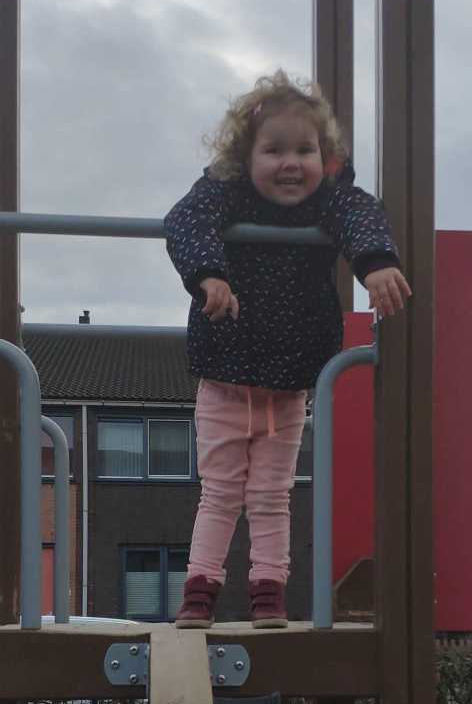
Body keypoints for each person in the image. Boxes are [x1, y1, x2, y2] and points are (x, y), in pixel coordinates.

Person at [164, 69, 411, 629]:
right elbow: (187, 220)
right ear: (245, 156)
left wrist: (376, 263)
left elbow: (360, 214)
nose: (290, 163)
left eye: (305, 150)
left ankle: (268, 593)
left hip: (288, 384)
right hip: (225, 376)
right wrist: (208, 275)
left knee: (272, 495)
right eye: (274, 150)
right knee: (221, 492)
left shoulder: (328, 202)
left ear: (326, 157)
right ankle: (199, 592)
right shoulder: (225, 194)